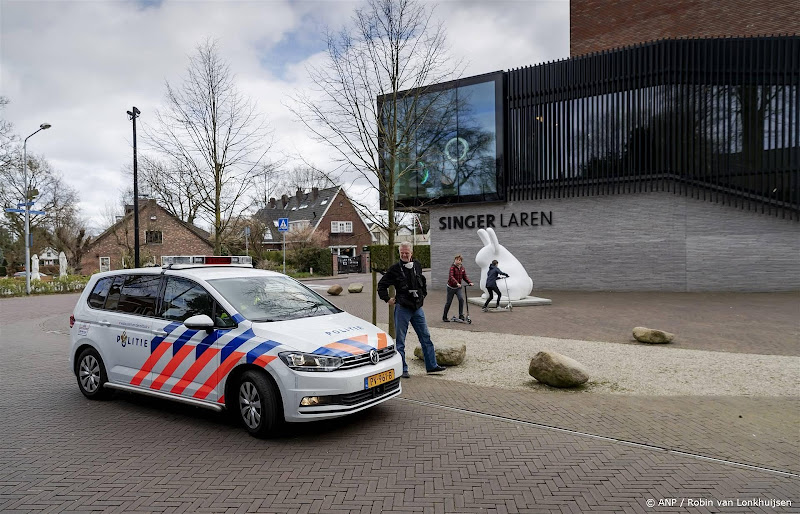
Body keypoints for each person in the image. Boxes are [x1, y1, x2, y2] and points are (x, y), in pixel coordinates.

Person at [378, 242, 446, 378]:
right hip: (402, 308)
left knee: (425, 337)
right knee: (400, 341)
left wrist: (423, 294)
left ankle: (432, 365)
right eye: (402, 252)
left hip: (417, 308)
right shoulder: (394, 269)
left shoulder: (417, 265)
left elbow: (423, 280)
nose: (404, 254)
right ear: (399, 253)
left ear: (411, 253)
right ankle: (402, 369)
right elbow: (381, 285)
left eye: (406, 252)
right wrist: (387, 299)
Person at [442, 255, 473, 322]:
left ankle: (461, 315)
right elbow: (451, 276)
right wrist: (457, 283)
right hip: (451, 287)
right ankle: (444, 317)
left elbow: (465, 277)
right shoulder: (452, 268)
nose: (457, 261)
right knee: (449, 302)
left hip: (458, 288)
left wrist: (469, 282)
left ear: (461, 261)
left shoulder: (462, 268)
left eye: (459, 260)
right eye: (456, 259)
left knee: (461, 299)